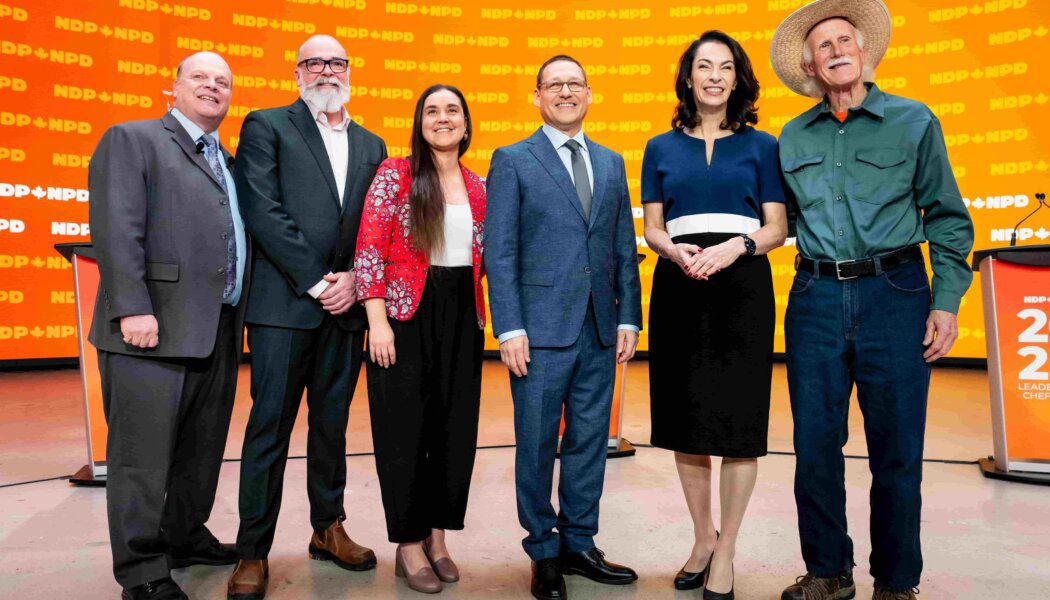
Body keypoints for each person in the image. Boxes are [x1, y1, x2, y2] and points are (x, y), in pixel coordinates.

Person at [770, 2, 974, 599]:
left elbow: (948, 219)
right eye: (822, 45)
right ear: (809, 64)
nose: (835, 50)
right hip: (814, 296)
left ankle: (896, 582)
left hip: (896, 294)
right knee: (813, 446)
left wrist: (948, 302)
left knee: (897, 448)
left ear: (864, 52)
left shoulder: (914, 120)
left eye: (844, 40)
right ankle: (829, 573)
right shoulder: (792, 136)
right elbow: (773, 218)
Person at [227, 34, 388, 600]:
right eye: (314, 62)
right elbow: (261, 210)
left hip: (346, 311)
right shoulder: (267, 125)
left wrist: (356, 282)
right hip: (285, 308)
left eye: (336, 62)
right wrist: (321, 282)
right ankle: (252, 551)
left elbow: (373, 226)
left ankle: (328, 528)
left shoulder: (373, 143)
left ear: (349, 71)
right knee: (268, 428)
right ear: (297, 72)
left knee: (333, 428)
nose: (326, 71)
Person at [87, 51, 247, 600]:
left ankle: (182, 536)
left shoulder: (225, 157)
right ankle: (141, 571)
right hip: (149, 330)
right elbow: (116, 227)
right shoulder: (132, 139)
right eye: (199, 78)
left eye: (222, 82)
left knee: (198, 452)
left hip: (216, 327)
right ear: (171, 88)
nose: (212, 87)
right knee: (141, 459)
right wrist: (132, 307)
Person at [485, 54, 643, 600]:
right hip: (539, 332)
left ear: (590, 93)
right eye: (555, 85)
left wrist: (628, 315)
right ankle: (543, 550)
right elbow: (499, 252)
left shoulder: (612, 161)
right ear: (537, 96)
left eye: (575, 83)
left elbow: (624, 245)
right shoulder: (513, 159)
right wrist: (509, 328)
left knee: (589, 443)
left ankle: (579, 543)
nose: (566, 92)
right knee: (535, 445)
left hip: (601, 327)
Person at [642, 31, 788, 600]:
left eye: (725, 67)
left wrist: (736, 247)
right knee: (688, 418)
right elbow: (654, 225)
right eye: (703, 66)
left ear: (738, 79)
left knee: (739, 425)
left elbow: (777, 226)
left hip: (742, 285)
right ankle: (703, 537)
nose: (713, 76)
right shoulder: (659, 146)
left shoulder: (763, 145)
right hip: (679, 284)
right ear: (687, 77)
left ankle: (726, 554)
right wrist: (673, 251)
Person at [354, 84, 487, 594]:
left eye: (453, 109)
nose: (443, 118)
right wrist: (378, 319)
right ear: (419, 122)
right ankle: (407, 545)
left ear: (467, 123)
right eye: (432, 111)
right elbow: (369, 248)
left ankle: (437, 538)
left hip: (462, 315)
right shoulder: (395, 174)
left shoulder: (479, 186)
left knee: (452, 432)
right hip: (404, 315)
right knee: (404, 432)